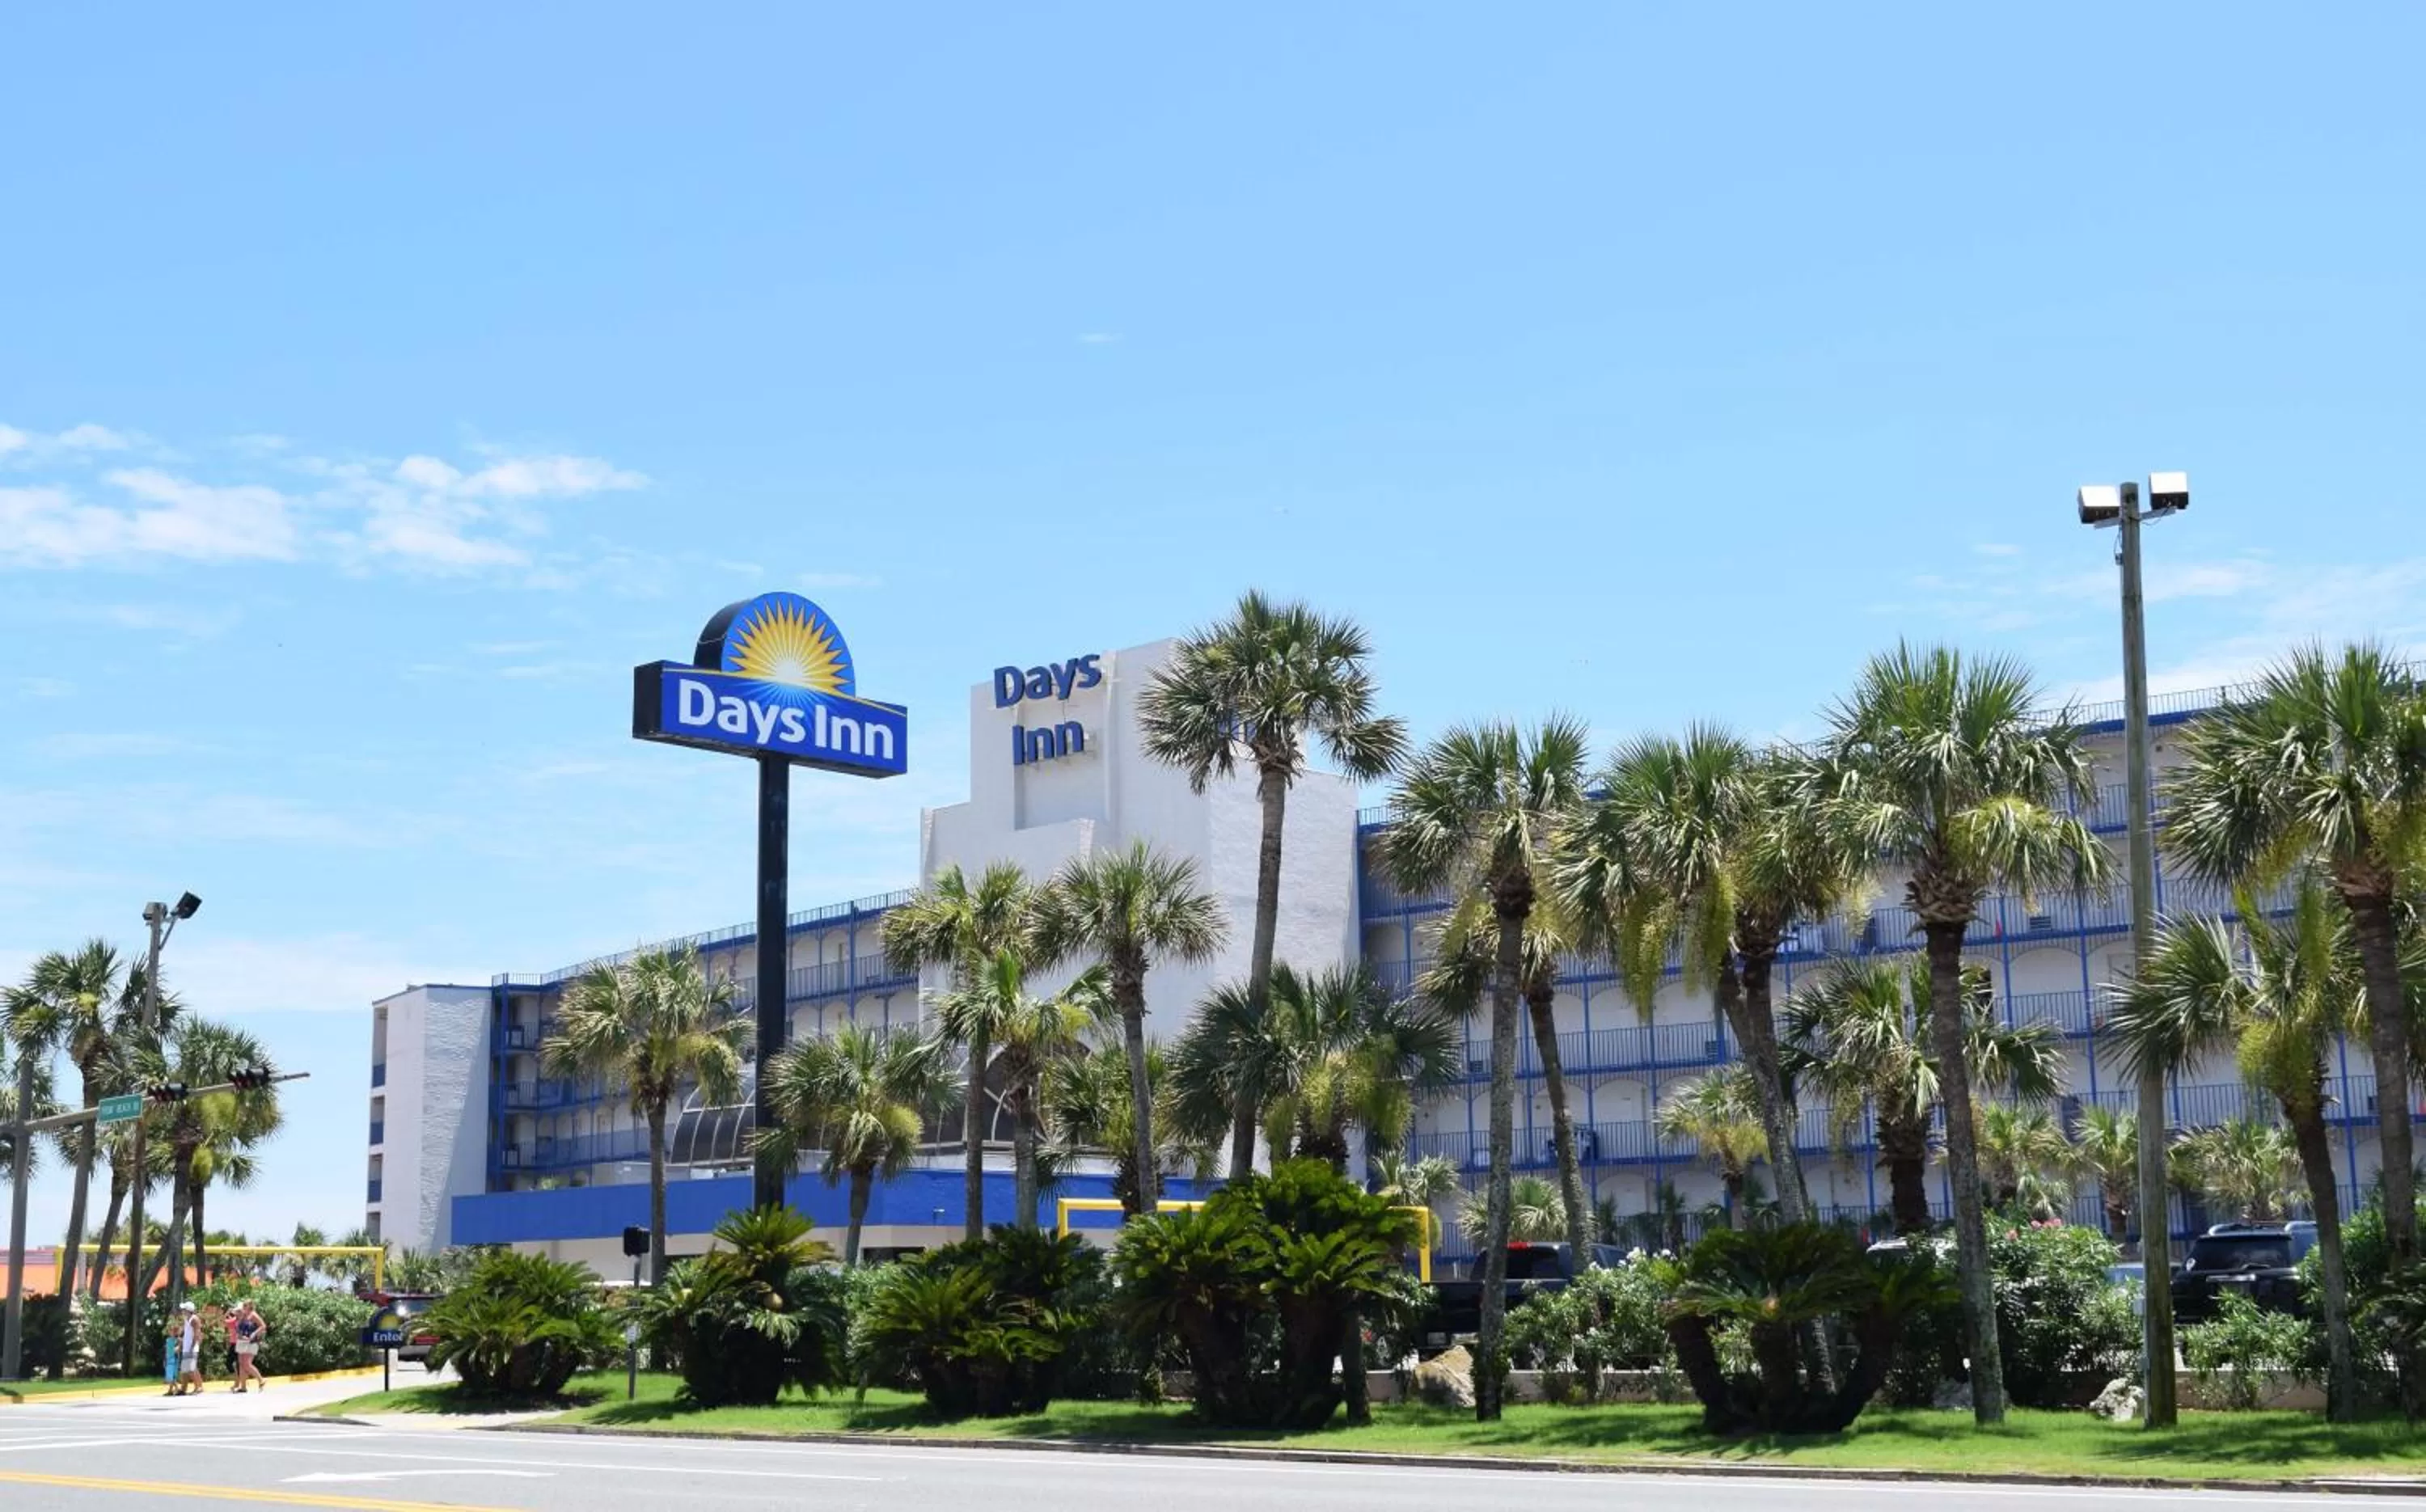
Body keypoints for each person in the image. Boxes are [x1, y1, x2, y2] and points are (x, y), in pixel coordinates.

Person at [230, 1300, 267, 1392]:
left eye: (245, 1305)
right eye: (243, 1305)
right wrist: (240, 1335)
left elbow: (263, 1326)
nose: (244, 1307)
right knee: (241, 1364)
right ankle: (243, 1387)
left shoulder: (253, 1315)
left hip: (251, 1342)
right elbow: (238, 1327)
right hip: (242, 1341)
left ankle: (261, 1380)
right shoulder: (243, 1315)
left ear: (250, 1306)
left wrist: (254, 1334)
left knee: (247, 1364)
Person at [173, 1303, 204, 1396]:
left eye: (184, 1310)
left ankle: (199, 1387)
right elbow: (187, 1336)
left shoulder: (194, 1319)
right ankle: (184, 1389)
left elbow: (197, 1334)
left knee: (191, 1368)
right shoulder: (188, 1319)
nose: (182, 1311)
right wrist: (180, 1345)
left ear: (188, 1310)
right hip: (187, 1347)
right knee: (185, 1369)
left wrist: (192, 1346)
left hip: (192, 1347)